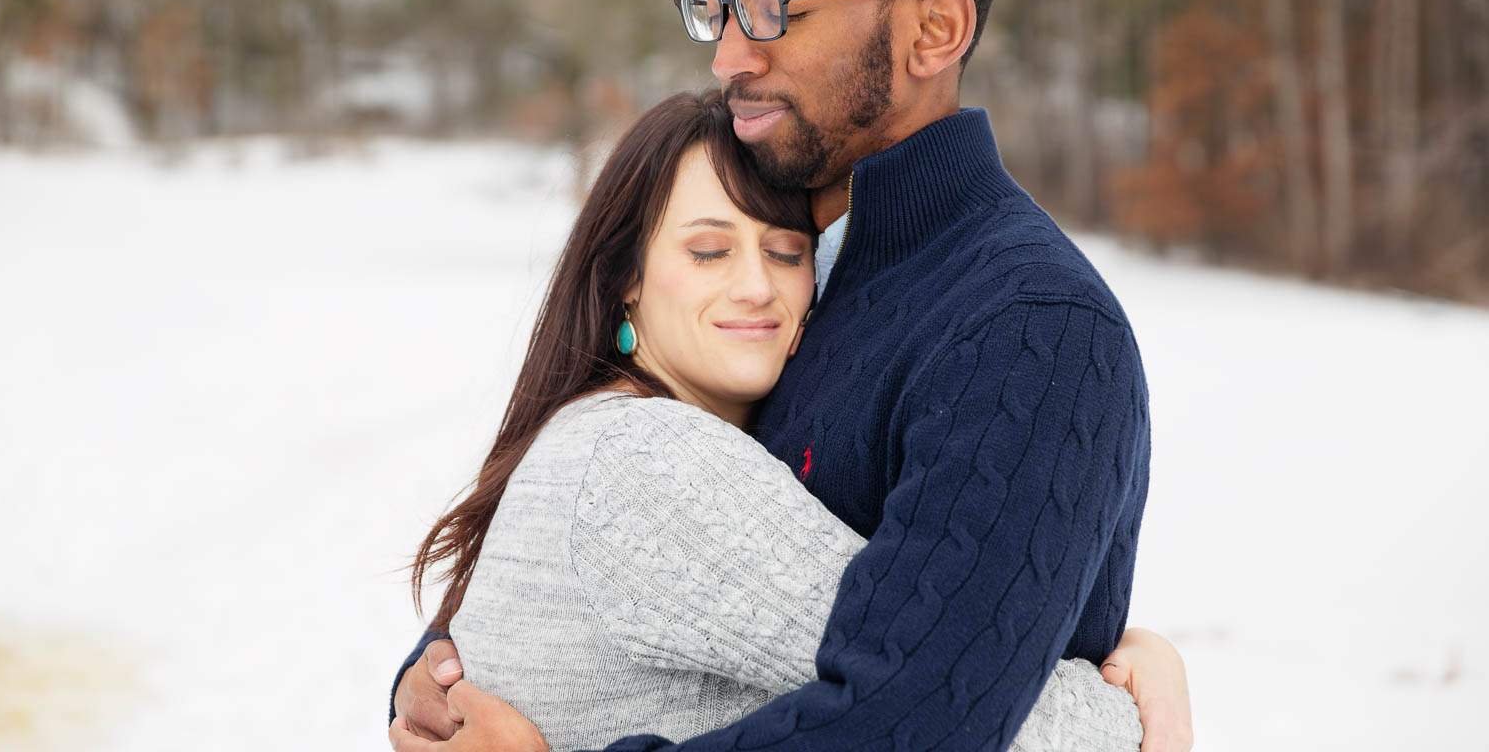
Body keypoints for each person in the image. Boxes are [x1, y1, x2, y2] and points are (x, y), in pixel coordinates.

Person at [391, 0, 1193, 752]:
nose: (732, 52)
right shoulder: (802, 272)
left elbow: (915, 723)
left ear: (935, 30)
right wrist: (451, 664)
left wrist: (1119, 716)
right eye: (721, 7)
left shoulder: (1026, 328)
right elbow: (645, 535)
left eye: (777, 5)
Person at [396, 89, 1164, 752]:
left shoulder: (591, 437)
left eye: (785, 252)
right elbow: (960, 707)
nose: (756, 287)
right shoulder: (652, 461)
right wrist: (1132, 694)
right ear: (625, 278)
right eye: (707, 251)